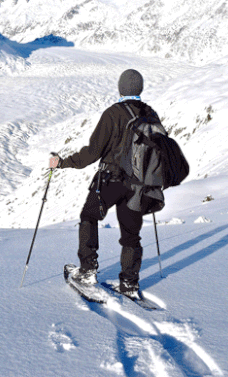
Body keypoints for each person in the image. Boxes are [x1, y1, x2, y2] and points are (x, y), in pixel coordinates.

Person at [49, 69, 160, 297]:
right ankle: (130, 282)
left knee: (89, 217)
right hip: (139, 185)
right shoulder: (151, 115)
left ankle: (88, 270)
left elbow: (92, 152)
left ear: (121, 88)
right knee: (131, 233)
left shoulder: (113, 113)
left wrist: (62, 163)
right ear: (140, 88)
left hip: (111, 180)